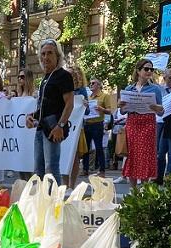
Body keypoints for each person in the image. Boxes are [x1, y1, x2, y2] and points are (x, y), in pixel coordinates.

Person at [25, 39, 74, 186]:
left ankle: (55, 203)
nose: (46, 57)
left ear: (57, 56)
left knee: (51, 168)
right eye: (43, 54)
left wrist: (60, 126)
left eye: (49, 53)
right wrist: (31, 116)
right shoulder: (45, 78)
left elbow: (70, 104)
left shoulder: (63, 75)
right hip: (41, 128)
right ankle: (40, 202)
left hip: (53, 128)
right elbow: (46, 106)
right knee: (38, 170)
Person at [118, 58, 165, 188]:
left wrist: (156, 108)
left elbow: (161, 112)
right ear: (138, 71)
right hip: (133, 122)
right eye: (146, 69)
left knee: (145, 155)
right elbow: (122, 112)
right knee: (132, 155)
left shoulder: (155, 89)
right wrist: (120, 106)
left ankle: (144, 189)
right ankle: (133, 191)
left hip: (148, 122)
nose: (149, 71)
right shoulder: (129, 88)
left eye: (151, 69)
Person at [84, 78, 114, 178]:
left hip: (97, 124)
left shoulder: (104, 96)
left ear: (99, 85)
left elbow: (110, 111)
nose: (91, 84)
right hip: (87, 124)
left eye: (93, 83)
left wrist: (102, 109)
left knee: (99, 147)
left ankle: (102, 171)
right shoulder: (88, 97)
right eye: (90, 83)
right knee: (86, 148)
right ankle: (85, 169)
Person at [65, 65, 88, 186]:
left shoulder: (82, 90)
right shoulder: (61, 89)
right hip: (63, 126)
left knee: (74, 159)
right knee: (63, 155)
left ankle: (71, 185)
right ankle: (64, 184)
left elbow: (87, 112)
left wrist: (85, 104)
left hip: (76, 129)